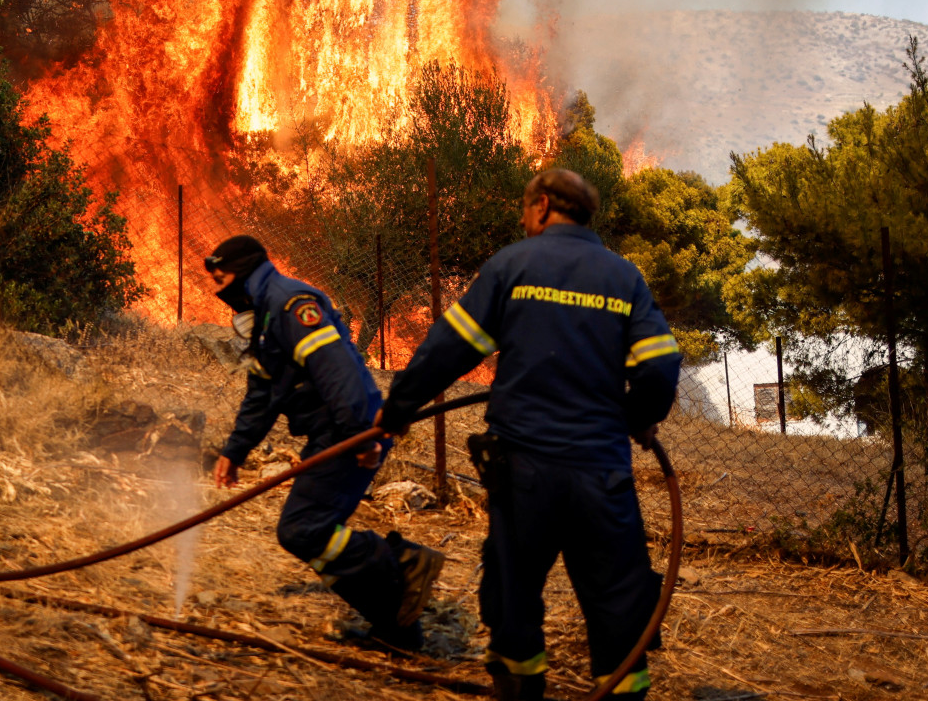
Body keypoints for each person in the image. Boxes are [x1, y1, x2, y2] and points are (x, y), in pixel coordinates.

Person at [378, 168, 682, 701]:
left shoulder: (513, 264)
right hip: (601, 474)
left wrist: (398, 408)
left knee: (513, 591)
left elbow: (449, 349)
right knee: (618, 602)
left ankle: (520, 687)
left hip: (525, 473)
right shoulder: (623, 277)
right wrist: (638, 417)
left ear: (542, 206)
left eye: (524, 211)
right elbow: (660, 367)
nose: (524, 220)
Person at [206, 235, 447, 651]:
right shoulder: (264, 314)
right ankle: (397, 631)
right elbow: (261, 395)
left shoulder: (290, 304)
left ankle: (403, 562)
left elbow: (338, 373)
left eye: (222, 277)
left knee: (303, 530)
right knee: (313, 533)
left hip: (346, 430)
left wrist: (358, 436)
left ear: (243, 270)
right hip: (331, 430)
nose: (217, 288)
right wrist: (235, 450)